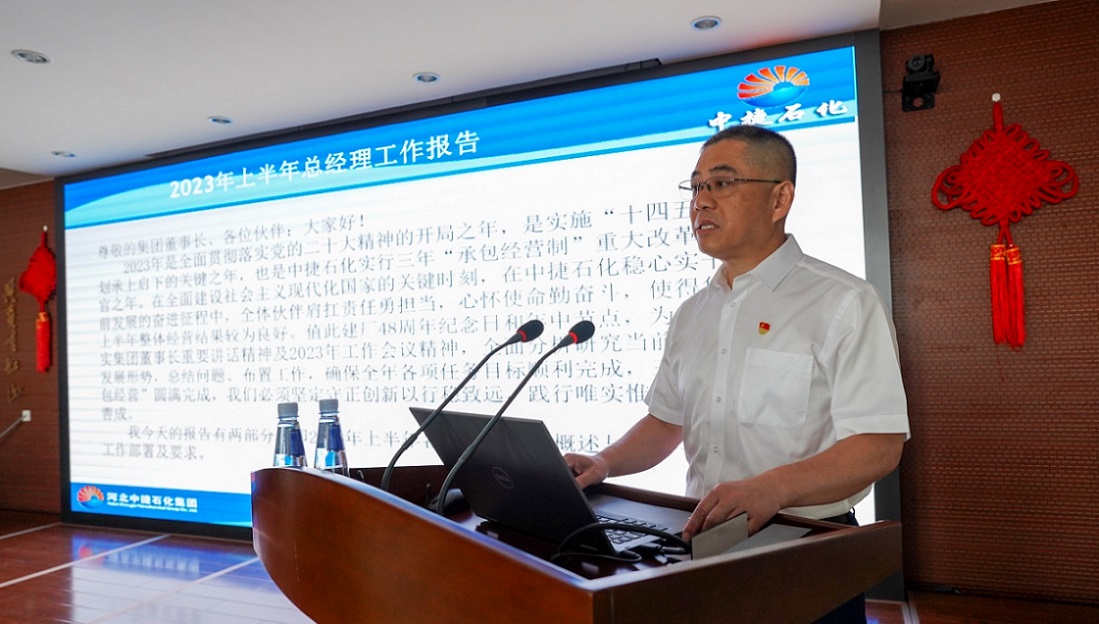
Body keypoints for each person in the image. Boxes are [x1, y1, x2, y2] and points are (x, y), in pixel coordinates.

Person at [564, 124, 909, 624]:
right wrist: (605, 461)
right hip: (702, 545)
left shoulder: (844, 302)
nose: (701, 202)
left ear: (779, 198)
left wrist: (773, 488)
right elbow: (666, 422)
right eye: (695, 187)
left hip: (806, 550)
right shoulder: (692, 313)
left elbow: (878, 446)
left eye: (722, 183)